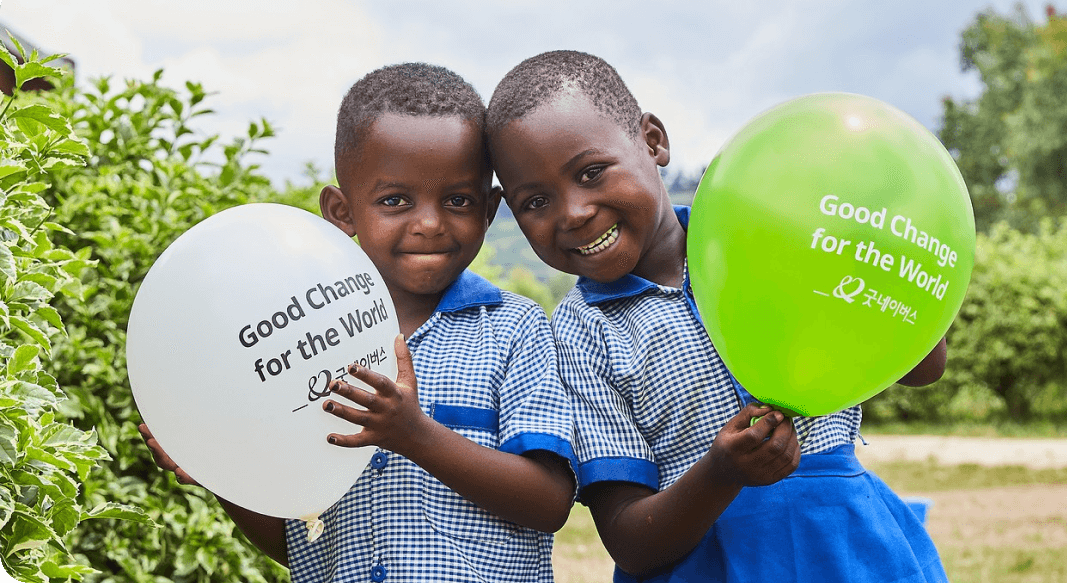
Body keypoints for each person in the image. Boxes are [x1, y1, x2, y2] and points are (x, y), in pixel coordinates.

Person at [485, 49, 950, 583]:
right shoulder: (580, 331)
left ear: (653, 141)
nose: (573, 211)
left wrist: (883, 248)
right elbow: (630, 541)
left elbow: (923, 366)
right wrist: (720, 473)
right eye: (535, 202)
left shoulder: (770, 237)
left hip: (850, 550)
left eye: (591, 172)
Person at [141, 62, 576, 583]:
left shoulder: (515, 329)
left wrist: (415, 435)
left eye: (457, 201)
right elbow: (302, 546)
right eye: (395, 201)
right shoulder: (300, 346)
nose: (430, 223)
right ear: (342, 212)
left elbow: (550, 503)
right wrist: (222, 473)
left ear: (489, 209)